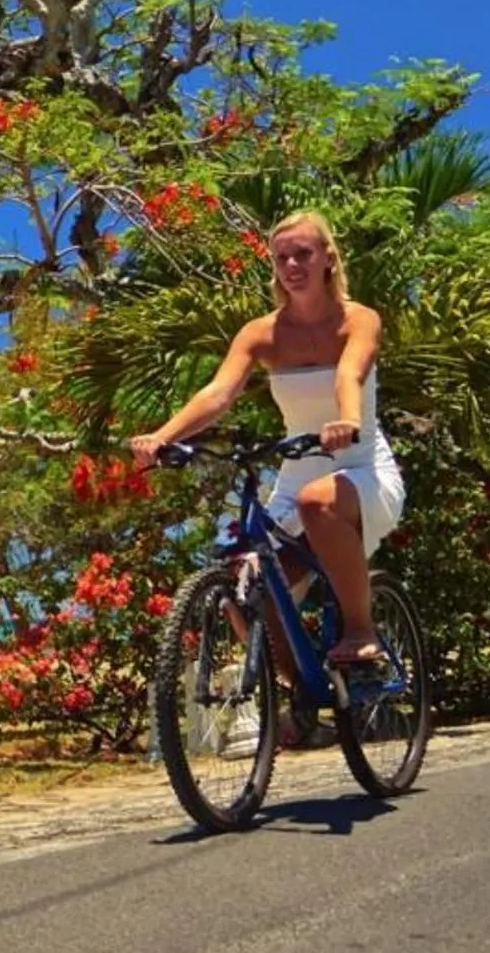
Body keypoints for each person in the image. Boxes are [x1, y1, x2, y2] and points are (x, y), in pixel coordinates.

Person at [130, 209, 404, 668]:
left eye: (303, 254)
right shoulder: (261, 333)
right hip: (297, 480)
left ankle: (361, 628)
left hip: (361, 469)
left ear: (327, 260)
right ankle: (297, 697)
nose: (292, 266)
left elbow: (348, 375)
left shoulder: (358, 320)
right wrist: (161, 437)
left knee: (319, 503)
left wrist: (347, 422)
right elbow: (218, 393)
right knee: (246, 591)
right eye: (282, 258)